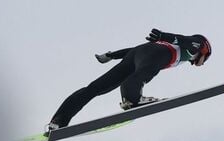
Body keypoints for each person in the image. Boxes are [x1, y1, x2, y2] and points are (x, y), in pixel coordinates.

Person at [45, 28, 211, 134]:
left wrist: (111, 55)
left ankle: (58, 122)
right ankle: (132, 99)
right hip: (154, 54)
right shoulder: (196, 46)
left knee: (95, 88)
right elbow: (184, 39)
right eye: (207, 58)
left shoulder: (183, 52)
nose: (203, 62)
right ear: (205, 51)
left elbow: (136, 51)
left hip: (137, 54)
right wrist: (164, 36)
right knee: (144, 73)